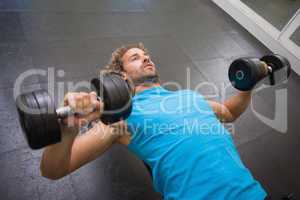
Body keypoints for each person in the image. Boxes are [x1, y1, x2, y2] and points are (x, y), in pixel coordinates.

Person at [40, 43, 267, 199]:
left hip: (255, 194)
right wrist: (68, 129)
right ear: (122, 76)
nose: (146, 58)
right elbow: (54, 169)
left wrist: (247, 86)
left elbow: (229, 112)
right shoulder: (122, 115)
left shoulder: (189, 96)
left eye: (145, 55)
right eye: (135, 58)